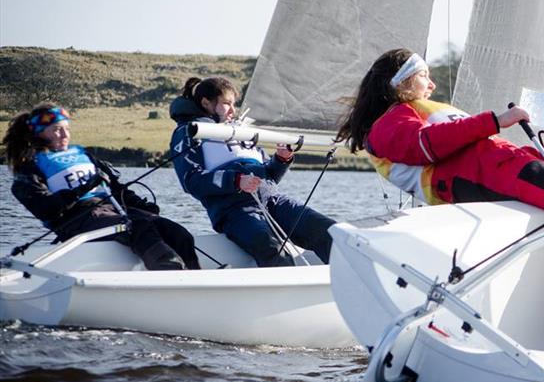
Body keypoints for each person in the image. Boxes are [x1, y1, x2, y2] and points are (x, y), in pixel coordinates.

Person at [335, 48, 544, 357]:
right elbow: (425, 146)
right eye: (425, 75)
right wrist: (495, 121)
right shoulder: (387, 123)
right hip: (478, 174)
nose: (432, 84)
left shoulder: (422, 108)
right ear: (400, 83)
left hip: (513, 158)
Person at [4, 103, 199, 271]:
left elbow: (114, 187)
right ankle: (171, 274)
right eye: (56, 129)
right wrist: (81, 190)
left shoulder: (83, 155)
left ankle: (195, 276)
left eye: (66, 128)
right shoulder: (29, 168)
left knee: (174, 231)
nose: (64, 134)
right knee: (136, 226)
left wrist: (139, 204)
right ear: (39, 134)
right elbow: (45, 208)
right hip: (78, 220)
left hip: (111, 210)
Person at [169, 77, 336, 267]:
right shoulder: (189, 132)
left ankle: (351, 282)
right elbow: (191, 181)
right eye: (226, 103)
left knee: (328, 231)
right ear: (206, 103)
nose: (232, 110)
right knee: (271, 248)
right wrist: (236, 180)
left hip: (272, 199)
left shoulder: (240, 131)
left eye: (234, 104)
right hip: (234, 211)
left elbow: (270, 175)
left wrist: (281, 160)